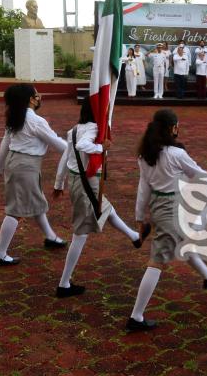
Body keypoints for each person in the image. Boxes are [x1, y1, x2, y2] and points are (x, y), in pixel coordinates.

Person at [127, 110, 207, 331]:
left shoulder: (146, 154)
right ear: (171, 128)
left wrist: (139, 216)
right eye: (176, 126)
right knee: (157, 261)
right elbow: (200, 175)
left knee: (183, 242)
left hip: (160, 205)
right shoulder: (175, 154)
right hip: (171, 207)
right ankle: (136, 316)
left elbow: (143, 188)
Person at [53, 98, 150, 298]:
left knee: (106, 208)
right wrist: (101, 148)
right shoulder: (92, 129)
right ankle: (64, 283)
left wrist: (58, 182)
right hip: (85, 183)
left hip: (77, 181)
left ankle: (134, 237)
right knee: (80, 233)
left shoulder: (75, 128)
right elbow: (82, 146)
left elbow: (65, 157)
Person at [0, 84, 68, 266]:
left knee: (35, 201)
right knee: (16, 210)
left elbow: (4, 145)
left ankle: (50, 236)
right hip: (26, 166)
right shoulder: (36, 121)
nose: (39, 96)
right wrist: (81, 149)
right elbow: (58, 144)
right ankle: (0, 254)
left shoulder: (15, 117)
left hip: (17, 163)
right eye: (36, 94)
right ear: (31, 100)